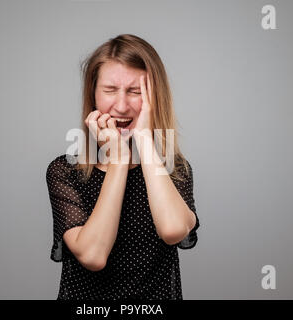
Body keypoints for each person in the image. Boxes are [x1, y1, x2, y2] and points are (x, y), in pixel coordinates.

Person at [46, 34, 200, 300]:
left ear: (155, 97)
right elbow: (93, 255)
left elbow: (173, 230)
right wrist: (117, 160)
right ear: (93, 94)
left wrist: (143, 138)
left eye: (135, 92)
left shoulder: (175, 169)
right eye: (109, 90)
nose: (121, 105)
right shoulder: (65, 172)